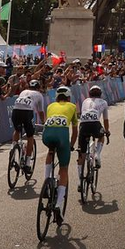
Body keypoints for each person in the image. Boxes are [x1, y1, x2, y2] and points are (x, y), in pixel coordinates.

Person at [41, 84, 79, 222]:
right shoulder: (72, 107)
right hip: (62, 137)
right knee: (63, 168)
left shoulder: (50, 106)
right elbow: (75, 132)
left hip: (47, 136)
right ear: (68, 98)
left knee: (50, 150)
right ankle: (58, 204)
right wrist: (71, 146)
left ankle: (46, 182)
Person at [77, 83, 110, 192]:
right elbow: (105, 120)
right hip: (95, 124)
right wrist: (107, 131)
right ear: (100, 94)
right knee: (101, 137)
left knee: (81, 154)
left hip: (83, 125)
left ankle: (79, 181)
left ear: (89, 94)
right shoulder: (104, 102)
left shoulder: (85, 101)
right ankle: (97, 154)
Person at [12, 78, 47, 166]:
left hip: (15, 111)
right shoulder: (39, 95)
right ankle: (27, 162)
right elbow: (41, 112)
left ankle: (13, 149)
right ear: (38, 88)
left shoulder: (23, 92)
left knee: (17, 130)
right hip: (27, 112)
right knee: (30, 136)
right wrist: (43, 122)